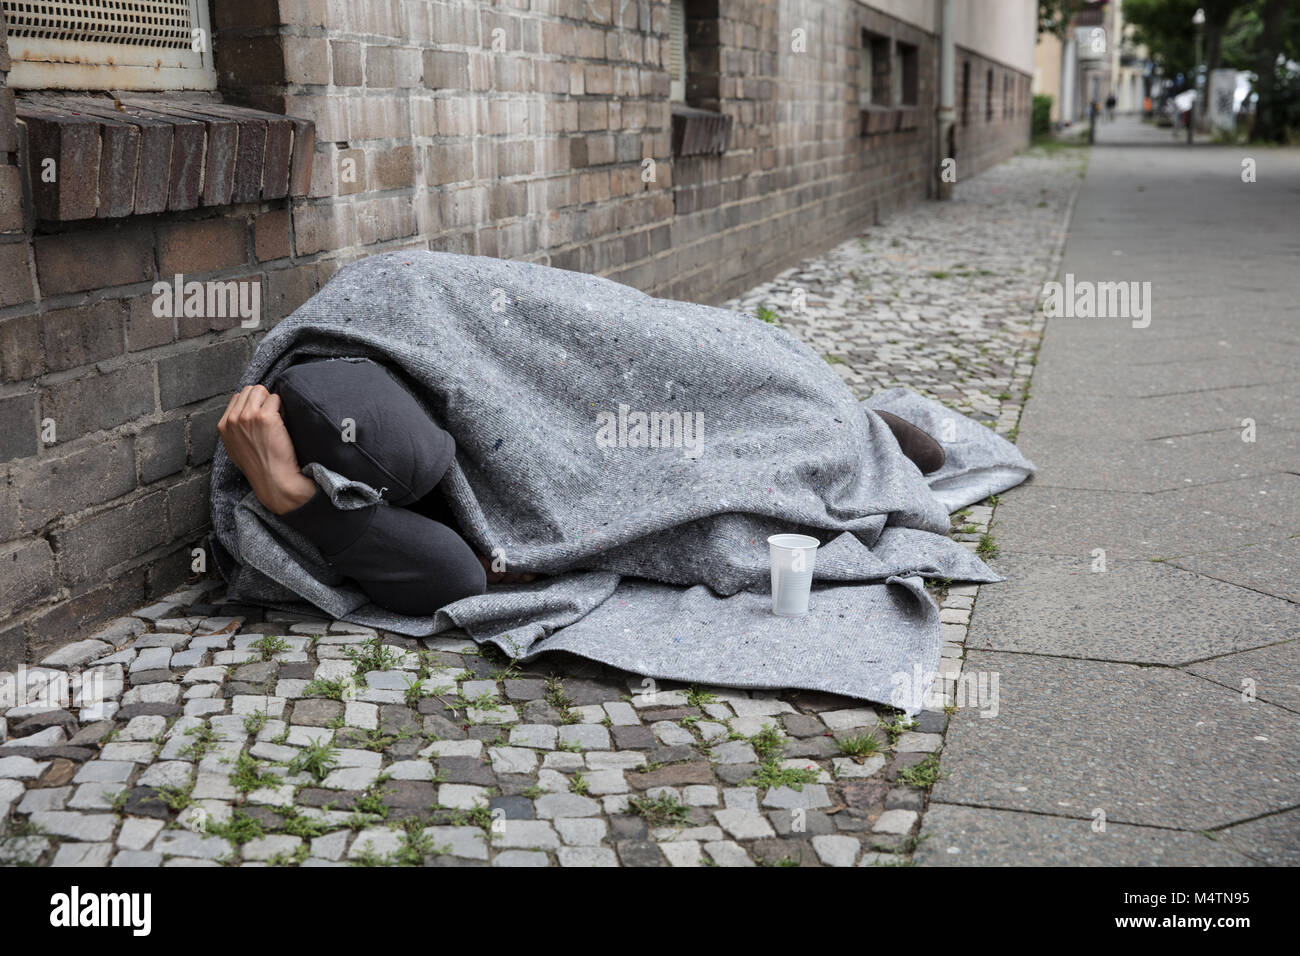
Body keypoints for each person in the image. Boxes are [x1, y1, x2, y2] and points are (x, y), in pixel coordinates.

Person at [218, 356, 944, 617]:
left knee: (704, 376)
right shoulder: (374, 495)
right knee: (700, 470)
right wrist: (292, 498)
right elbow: (453, 575)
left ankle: (837, 414)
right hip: (567, 455)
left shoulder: (368, 343)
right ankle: (848, 433)